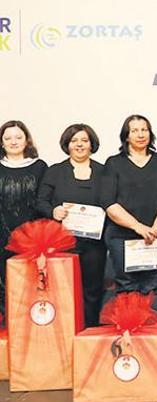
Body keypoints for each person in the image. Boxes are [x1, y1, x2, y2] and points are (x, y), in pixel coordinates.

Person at [100, 114, 157, 314]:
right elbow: (108, 202)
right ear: (126, 136)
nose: (140, 134)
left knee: (154, 288)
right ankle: (130, 330)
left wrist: (154, 229)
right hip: (122, 237)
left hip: (156, 236)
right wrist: (138, 227)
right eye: (134, 130)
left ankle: (152, 329)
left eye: (144, 130)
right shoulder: (113, 163)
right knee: (127, 287)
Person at [36, 124, 107, 327]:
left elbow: (113, 202)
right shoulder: (55, 171)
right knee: (63, 289)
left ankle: (90, 329)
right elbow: (41, 201)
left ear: (91, 144)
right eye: (74, 141)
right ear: (67, 145)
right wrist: (53, 211)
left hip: (95, 243)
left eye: (84, 140)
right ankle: (65, 330)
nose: (79, 145)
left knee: (93, 289)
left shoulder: (104, 171)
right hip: (63, 243)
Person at [0, 120, 47, 319]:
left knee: (31, 283)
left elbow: (43, 202)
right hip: (1, 235)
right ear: (1, 142)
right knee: (5, 284)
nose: (13, 142)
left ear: (27, 140)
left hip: (31, 236)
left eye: (18, 137)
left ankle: (32, 326)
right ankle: (9, 326)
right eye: (8, 138)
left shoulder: (40, 167)